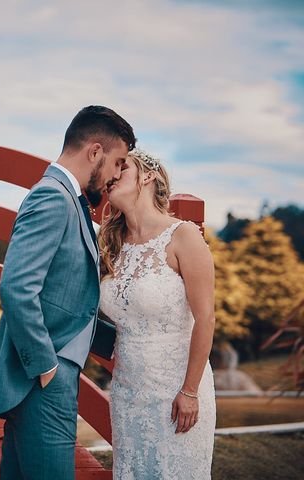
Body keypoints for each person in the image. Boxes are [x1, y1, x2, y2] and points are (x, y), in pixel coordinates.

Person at [0, 105, 136, 479]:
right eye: (117, 162)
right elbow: (17, 287)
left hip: (45, 372)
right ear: (94, 152)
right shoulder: (52, 197)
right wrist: (47, 366)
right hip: (44, 374)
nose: (116, 175)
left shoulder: (70, 199)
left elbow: (67, 294)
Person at [99, 148, 216, 479]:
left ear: (147, 176)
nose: (111, 177)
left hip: (177, 391)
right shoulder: (111, 243)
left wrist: (190, 391)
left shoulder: (183, 236)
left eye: (122, 169)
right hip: (127, 391)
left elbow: (205, 319)